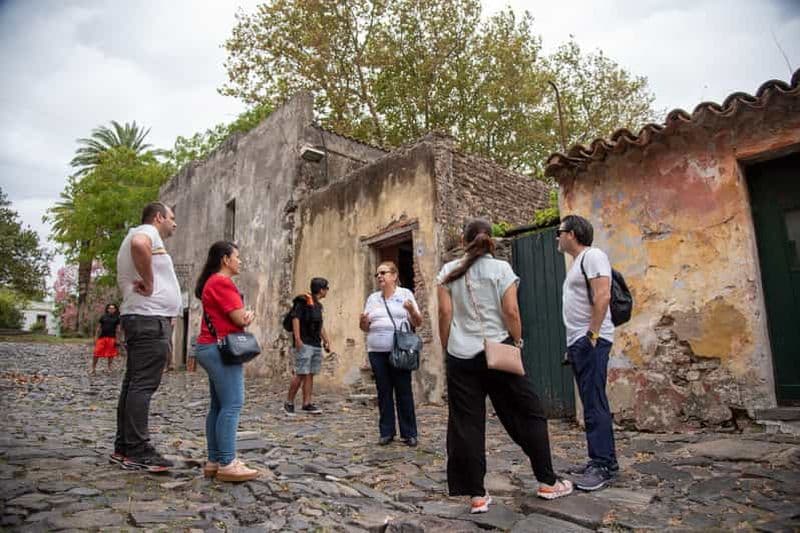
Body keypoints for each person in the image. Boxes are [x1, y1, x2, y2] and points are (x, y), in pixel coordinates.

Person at [436, 218, 573, 514]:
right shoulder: (501, 269)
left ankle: (477, 496)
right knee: (528, 413)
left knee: (466, 424)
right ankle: (547, 481)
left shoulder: (448, 271)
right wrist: (518, 342)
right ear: (491, 241)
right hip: (498, 350)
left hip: (461, 356)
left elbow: (445, 313)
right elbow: (511, 310)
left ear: (463, 241)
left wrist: (447, 346)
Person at [111, 202, 181, 472]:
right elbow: (140, 244)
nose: (174, 223)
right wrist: (150, 283)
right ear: (158, 217)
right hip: (149, 319)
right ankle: (138, 450)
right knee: (141, 385)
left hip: (141, 318)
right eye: (171, 218)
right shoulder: (146, 233)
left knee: (133, 384)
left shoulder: (138, 234)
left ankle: (124, 447)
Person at [556, 214, 618, 491]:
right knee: (590, 402)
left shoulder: (593, 256)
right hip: (580, 342)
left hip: (592, 340)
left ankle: (603, 466)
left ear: (572, 233)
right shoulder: (578, 262)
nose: (557, 238)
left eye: (559, 232)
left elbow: (603, 295)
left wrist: (591, 335)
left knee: (594, 402)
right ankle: (599, 460)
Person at [195, 241, 260, 482]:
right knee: (232, 404)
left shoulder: (211, 282)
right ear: (225, 259)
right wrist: (249, 315)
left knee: (218, 406)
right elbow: (239, 318)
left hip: (209, 347)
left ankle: (215, 460)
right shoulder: (222, 282)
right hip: (221, 349)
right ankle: (227, 463)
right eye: (237, 257)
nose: (240, 261)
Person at [359, 261, 422, 447]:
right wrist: (363, 322)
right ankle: (386, 432)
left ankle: (409, 433)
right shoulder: (372, 299)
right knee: (383, 391)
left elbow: (417, 322)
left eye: (383, 273)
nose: (379, 276)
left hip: (399, 350)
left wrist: (411, 310)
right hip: (376, 352)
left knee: (403, 391)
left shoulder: (405, 294)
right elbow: (365, 328)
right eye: (377, 274)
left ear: (394, 276)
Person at [284, 278, 331, 416]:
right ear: (321, 290)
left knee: (310, 374)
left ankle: (307, 403)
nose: (327, 291)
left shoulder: (318, 306)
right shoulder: (302, 301)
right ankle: (289, 402)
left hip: (315, 343)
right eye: (326, 288)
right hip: (304, 343)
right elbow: (295, 318)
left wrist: (326, 340)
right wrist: (298, 339)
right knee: (300, 373)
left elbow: (319, 325)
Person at [92, 303, 120, 374]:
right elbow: (98, 328)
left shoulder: (117, 318)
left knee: (111, 354)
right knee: (96, 352)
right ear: (107, 309)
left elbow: (118, 329)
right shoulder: (103, 317)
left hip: (111, 338)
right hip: (102, 337)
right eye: (110, 308)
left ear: (115, 310)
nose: (111, 309)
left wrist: (117, 339)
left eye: (113, 308)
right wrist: (95, 337)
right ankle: (93, 368)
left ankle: (109, 368)